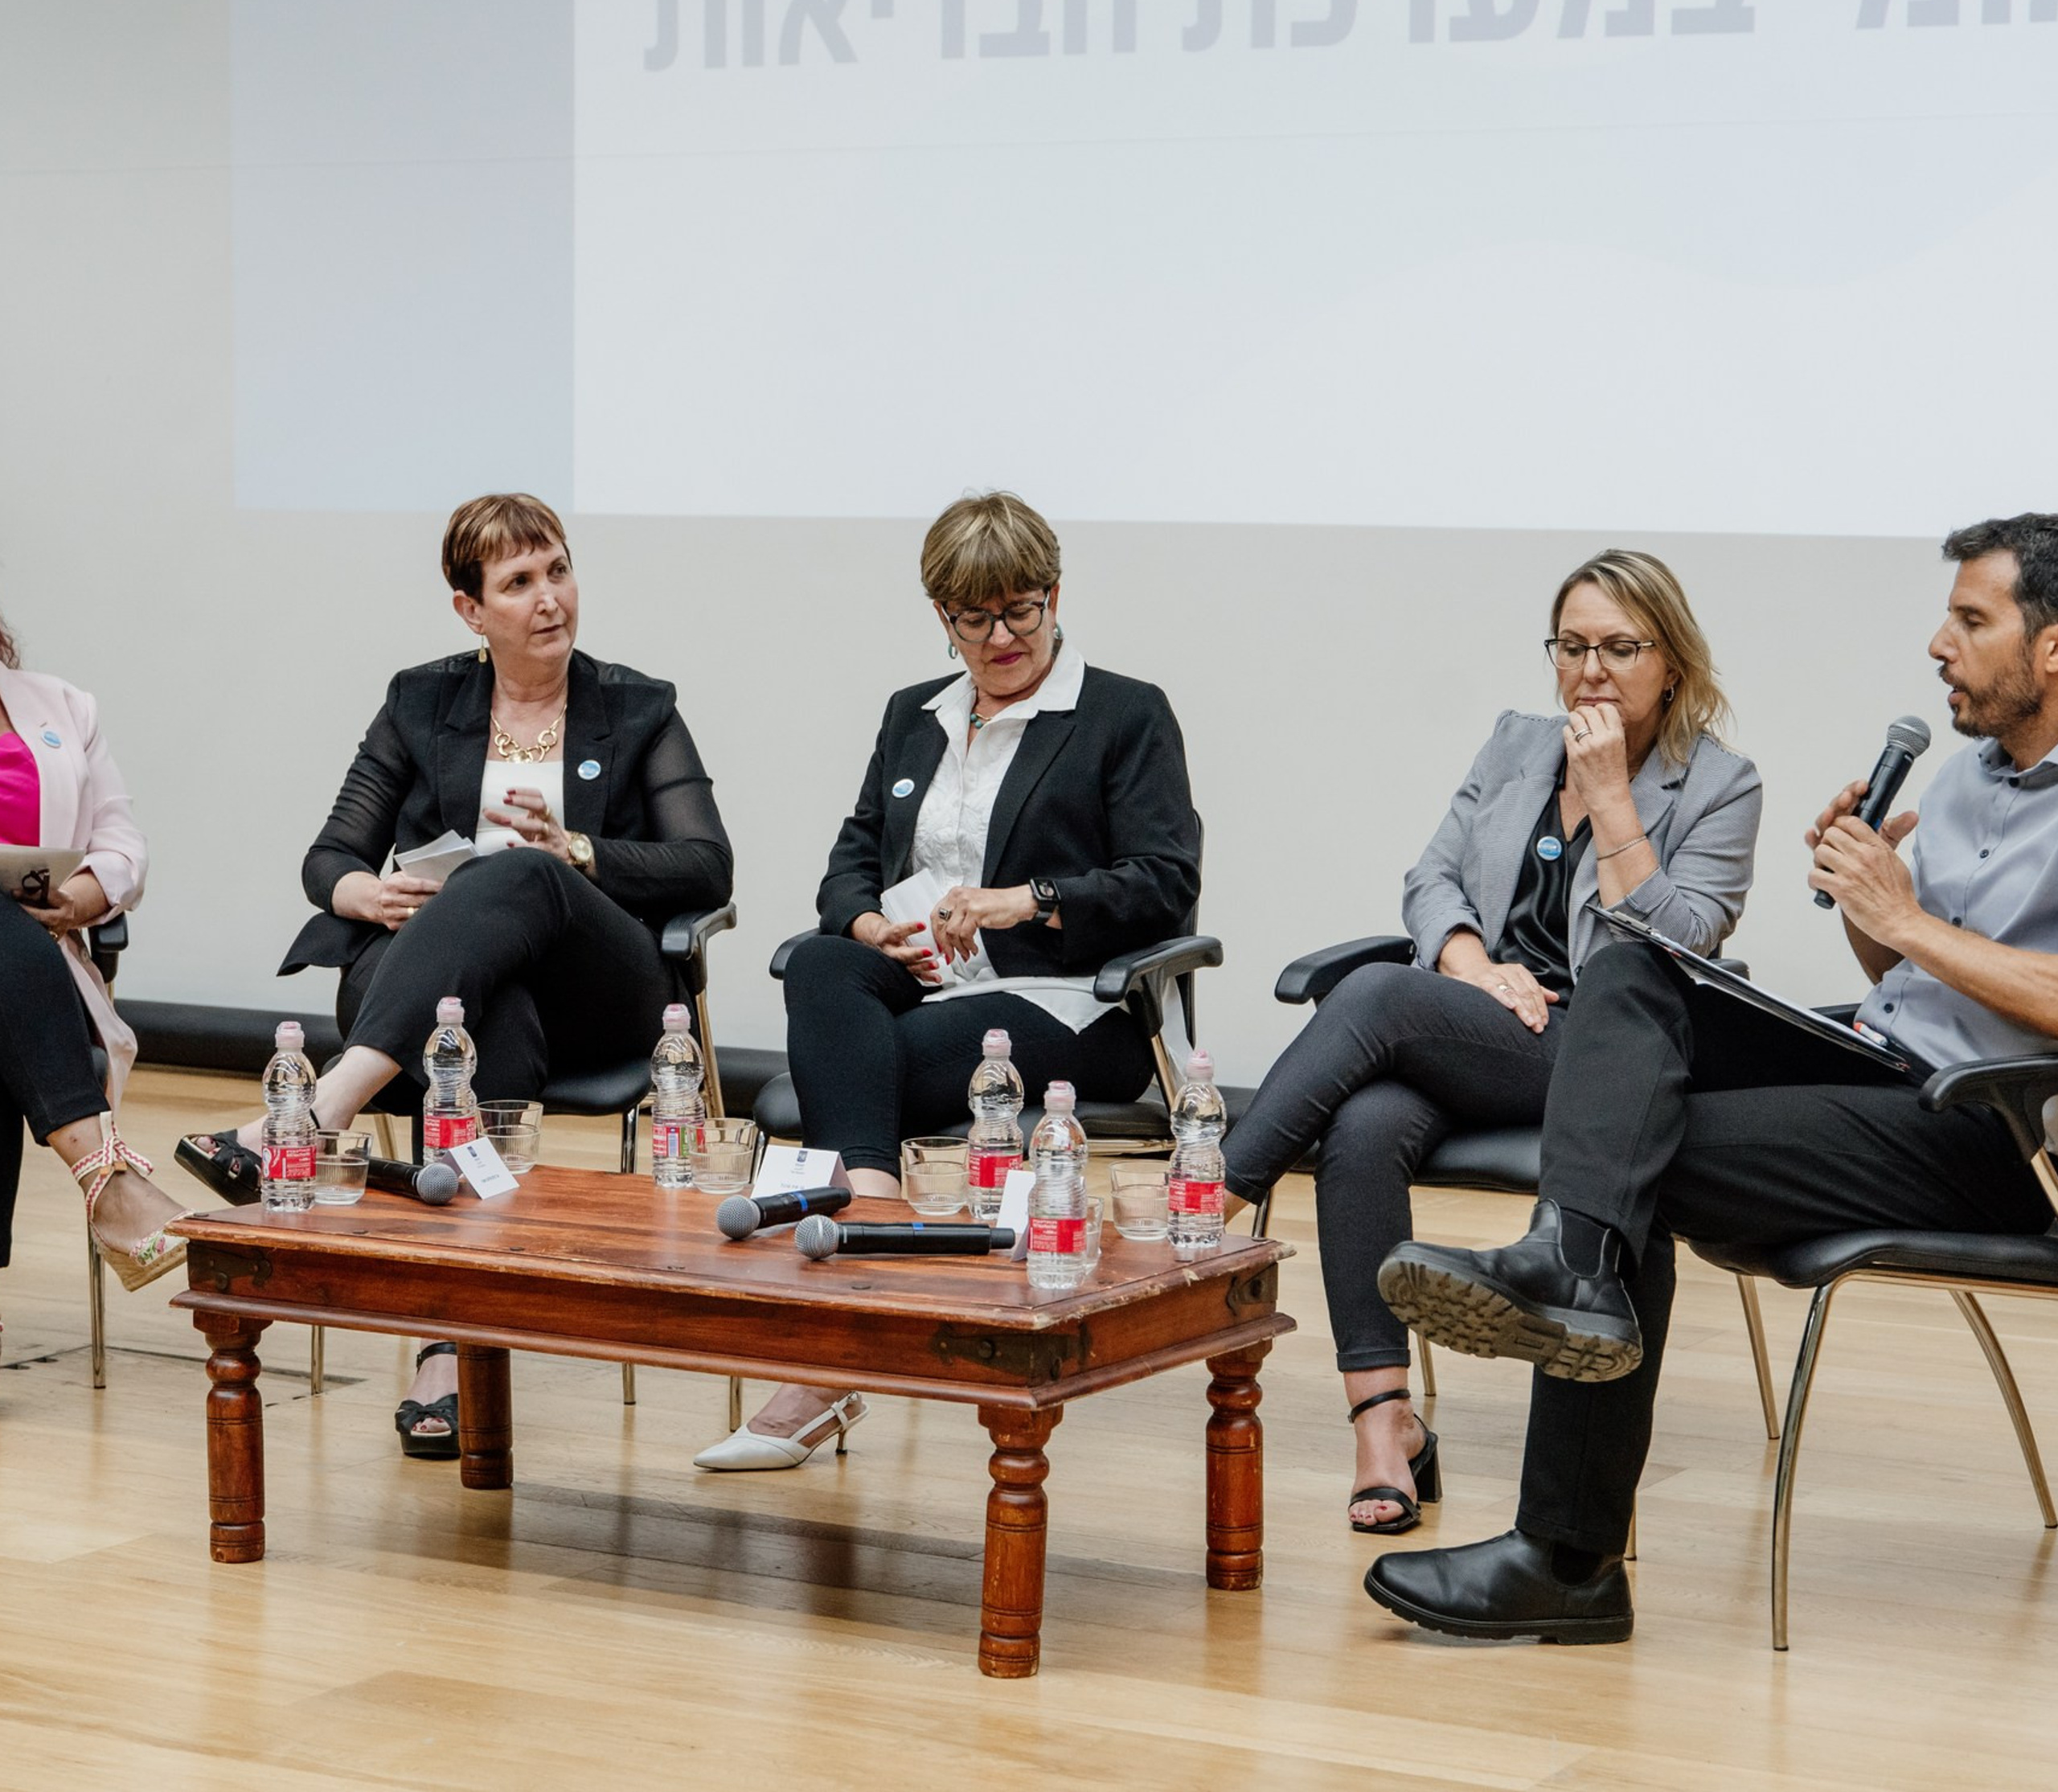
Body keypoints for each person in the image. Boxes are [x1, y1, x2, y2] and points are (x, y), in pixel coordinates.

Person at [1369, 513, 2058, 1644]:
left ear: (2052, 647)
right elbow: (1904, 968)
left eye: (1971, 620)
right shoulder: (1972, 780)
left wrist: (1908, 924)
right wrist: (1872, 902)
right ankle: (1572, 1275)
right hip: (1885, 1059)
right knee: (1642, 965)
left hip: (2000, 1132)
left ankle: (1567, 1549)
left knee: (1617, 1155)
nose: (1940, 643)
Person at [1217, 551, 1761, 1534]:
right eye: (1572, 646)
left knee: (1378, 990)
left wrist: (1611, 799)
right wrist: (1472, 963)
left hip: (1602, 1061)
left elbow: (1682, 941)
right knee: (1365, 1125)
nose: (1591, 669)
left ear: (1672, 662)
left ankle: (1211, 1201)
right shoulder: (1517, 742)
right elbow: (1430, 879)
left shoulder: (1720, 784)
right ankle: (1386, 1430)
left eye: (1620, 647)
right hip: (1482, 1023)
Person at [176, 493, 733, 1453]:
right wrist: (365, 894)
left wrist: (580, 853)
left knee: (517, 872)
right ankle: (456, 1341)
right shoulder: (420, 700)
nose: (549, 598)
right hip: (451, 996)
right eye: (518, 583)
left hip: (601, 991)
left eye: (557, 570)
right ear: (470, 611)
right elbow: (331, 854)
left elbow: (706, 864)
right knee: (474, 1025)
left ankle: (312, 1113)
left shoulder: (637, 705)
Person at [695, 491, 1201, 1471]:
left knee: (874, 1065)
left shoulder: (1123, 714)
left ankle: (835, 1348)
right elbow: (846, 863)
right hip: (928, 985)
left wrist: (1025, 901)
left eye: (1022, 610)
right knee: (824, 960)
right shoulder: (912, 715)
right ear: (943, 615)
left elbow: (1164, 879)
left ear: (1056, 595)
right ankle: (876, 1222)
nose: (1002, 636)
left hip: (1067, 1002)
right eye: (976, 619)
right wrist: (873, 922)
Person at [0, 612, 187, 1335]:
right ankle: (111, 1187)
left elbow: (120, 835)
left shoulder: (61, 706)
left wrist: (85, 894)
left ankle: (110, 1189)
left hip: (39, 974)